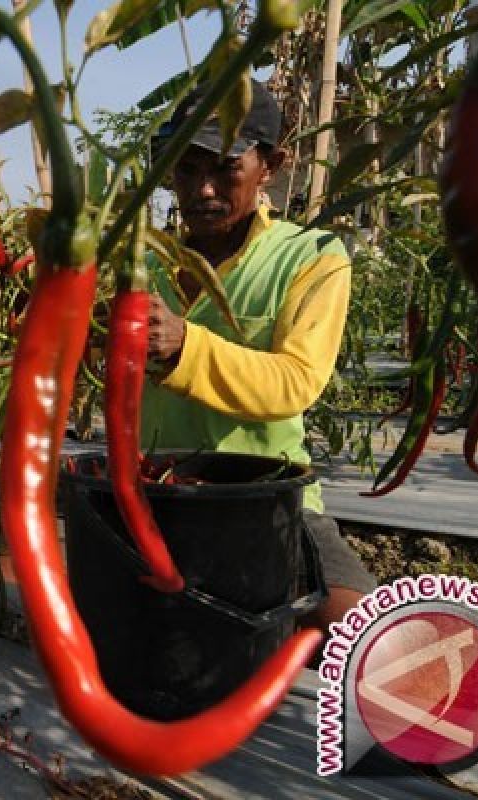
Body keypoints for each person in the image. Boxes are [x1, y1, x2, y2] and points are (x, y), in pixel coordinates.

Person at [140, 79, 376, 631]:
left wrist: (184, 346)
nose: (202, 190)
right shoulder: (145, 262)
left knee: (368, 638)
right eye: (188, 168)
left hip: (267, 500)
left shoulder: (312, 257)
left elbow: (295, 382)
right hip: (154, 494)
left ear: (271, 165)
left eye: (225, 168)